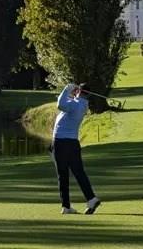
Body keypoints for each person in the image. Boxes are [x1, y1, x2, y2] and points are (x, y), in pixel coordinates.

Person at [50, 83, 101, 215]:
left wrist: (67, 89)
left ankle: (66, 206)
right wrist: (72, 93)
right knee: (78, 172)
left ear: (79, 91)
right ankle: (91, 199)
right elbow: (65, 104)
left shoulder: (75, 104)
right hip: (72, 143)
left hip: (61, 143)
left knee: (63, 175)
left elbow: (60, 104)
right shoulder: (80, 104)